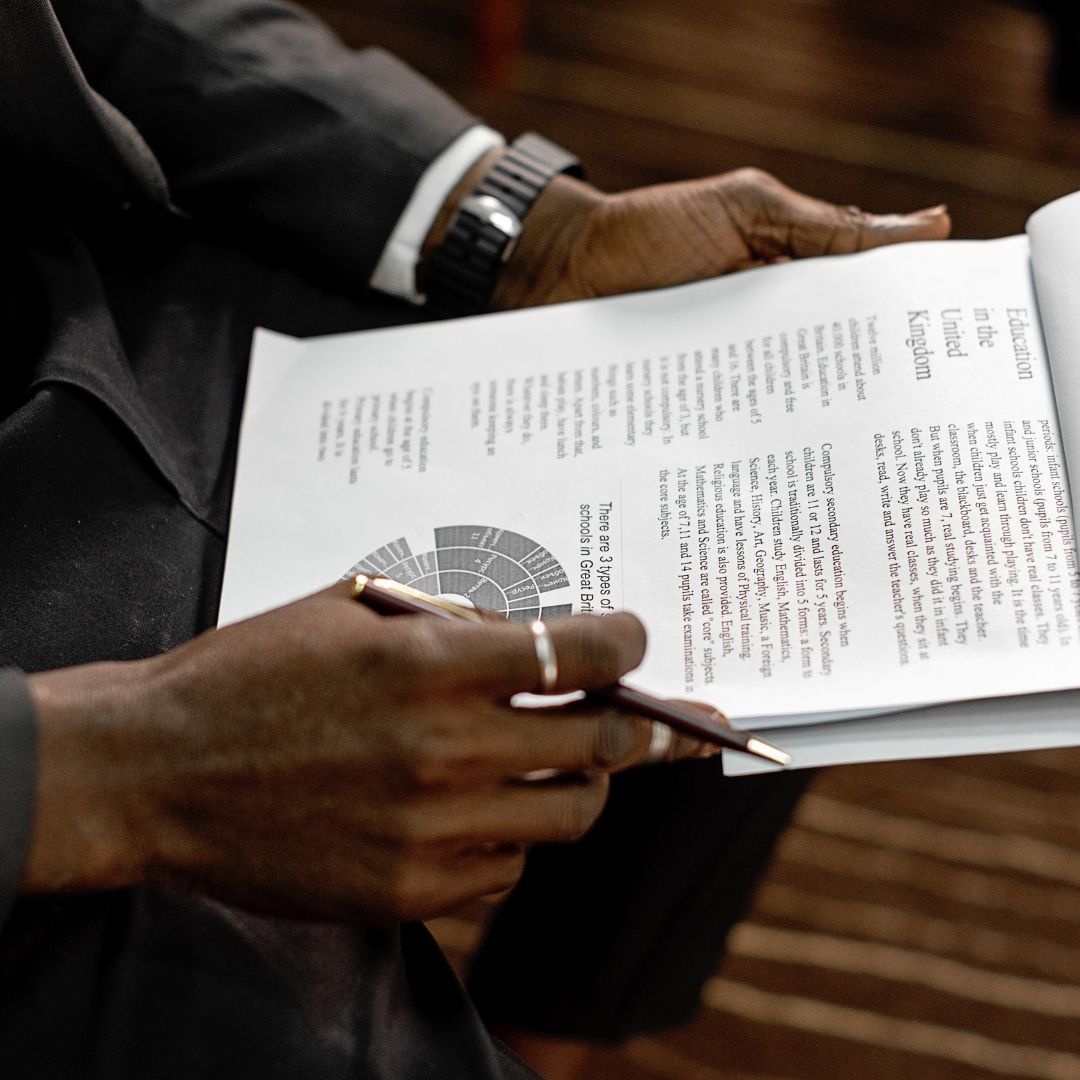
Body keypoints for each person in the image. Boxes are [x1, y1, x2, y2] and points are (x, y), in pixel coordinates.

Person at [0, 0, 951, 1076]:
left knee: (774, 514)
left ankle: (548, 1033)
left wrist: (531, 233)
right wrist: (106, 766)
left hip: (92, 272)